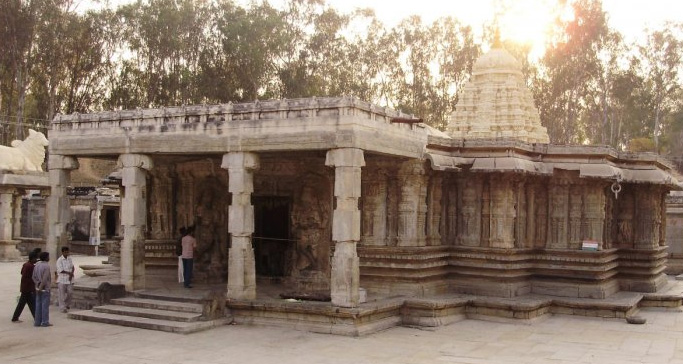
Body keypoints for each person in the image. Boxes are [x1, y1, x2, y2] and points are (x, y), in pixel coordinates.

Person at [11, 251, 38, 323]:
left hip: (25, 287)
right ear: (32, 259)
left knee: (28, 303)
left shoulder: (26, 264)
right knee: (27, 304)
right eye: (35, 259)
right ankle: (15, 318)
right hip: (27, 288)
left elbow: (22, 273)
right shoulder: (31, 266)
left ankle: (36, 318)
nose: (36, 260)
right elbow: (32, 277)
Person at [32, 252, 52, 327]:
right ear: (46, 257)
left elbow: (33, 277)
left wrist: (37, 284)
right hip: (44, 288)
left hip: (37, 287)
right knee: (44, 305)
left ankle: (37, 322)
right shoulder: (46, 266)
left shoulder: (37, 265)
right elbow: (45, 279)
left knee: (38, 305)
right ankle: (45, 322)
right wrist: (41, 287)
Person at [56, 246, 74, 313]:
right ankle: (62, 307)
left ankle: (67, 304)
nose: (67, 253)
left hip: (69, 279)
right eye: (65, 252)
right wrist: (69, 273)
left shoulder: (69, 259)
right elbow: (60, 270)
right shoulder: (59, 260)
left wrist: (71, 274)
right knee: (62, 294)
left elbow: (72, 267)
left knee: (70, 292)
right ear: (62, 252)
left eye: (67, 252)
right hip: (62, 279)